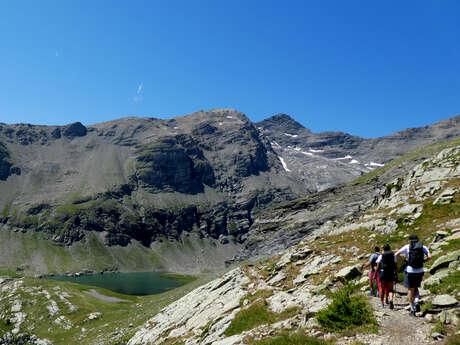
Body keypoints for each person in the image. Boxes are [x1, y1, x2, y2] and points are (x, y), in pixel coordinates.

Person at [395, 235, 432, 316]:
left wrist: (404, 260)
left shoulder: (407, 246)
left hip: (410, 271)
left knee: (410, 290)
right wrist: (424, 261)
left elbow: (396, 254)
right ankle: (416, 301)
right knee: (416, 287)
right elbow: (430, 257)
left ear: (410, 240)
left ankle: (412, 309)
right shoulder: (423, 247)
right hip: (420, 270)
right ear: (417, 240)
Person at [375, 244, 398, 309]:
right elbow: (396, 267)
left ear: (384, 249)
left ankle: (382, 304)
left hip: (383, 273)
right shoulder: (393, 256)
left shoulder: (381, 256)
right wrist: (396, 275)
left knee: (382, 289)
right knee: (390, 289)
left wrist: (375, 275)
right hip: (390, 273)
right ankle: (391, 300)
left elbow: (378, 266)